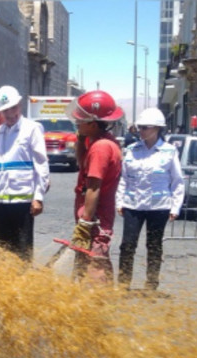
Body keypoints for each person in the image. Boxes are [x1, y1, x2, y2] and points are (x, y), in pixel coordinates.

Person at [115, 108, 185, 292]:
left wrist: (175, 207)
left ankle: (151, 285)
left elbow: (177, 181)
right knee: (127, 245)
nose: (141, 131)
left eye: (145, 127)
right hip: (133, 205)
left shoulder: (169, 151)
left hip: (159, 207)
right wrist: (119, 201)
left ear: (156, 129)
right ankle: (123, 284)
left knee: (154, 246)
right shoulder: (131, 150)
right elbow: (123, 178)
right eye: (140, 127)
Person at [0, 86, 50, 261]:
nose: (10, 113)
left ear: (19, 105)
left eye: (13, 108)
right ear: (0, 112)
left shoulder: (32, 129)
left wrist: (38, 197)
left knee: (22, 252)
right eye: (6, 110)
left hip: (23, 202)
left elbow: (41, 164)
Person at [65, 90, 123, 282]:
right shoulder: (100, 142)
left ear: (92, 122)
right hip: (94, 219)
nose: (76, 122)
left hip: (95, 220)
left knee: (95, 266)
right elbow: (82, 164)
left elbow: (93, 187)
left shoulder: (101, 148)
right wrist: (81, 140)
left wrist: (85, 222)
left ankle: (97, 306)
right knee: (89, 263)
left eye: (80, 120)